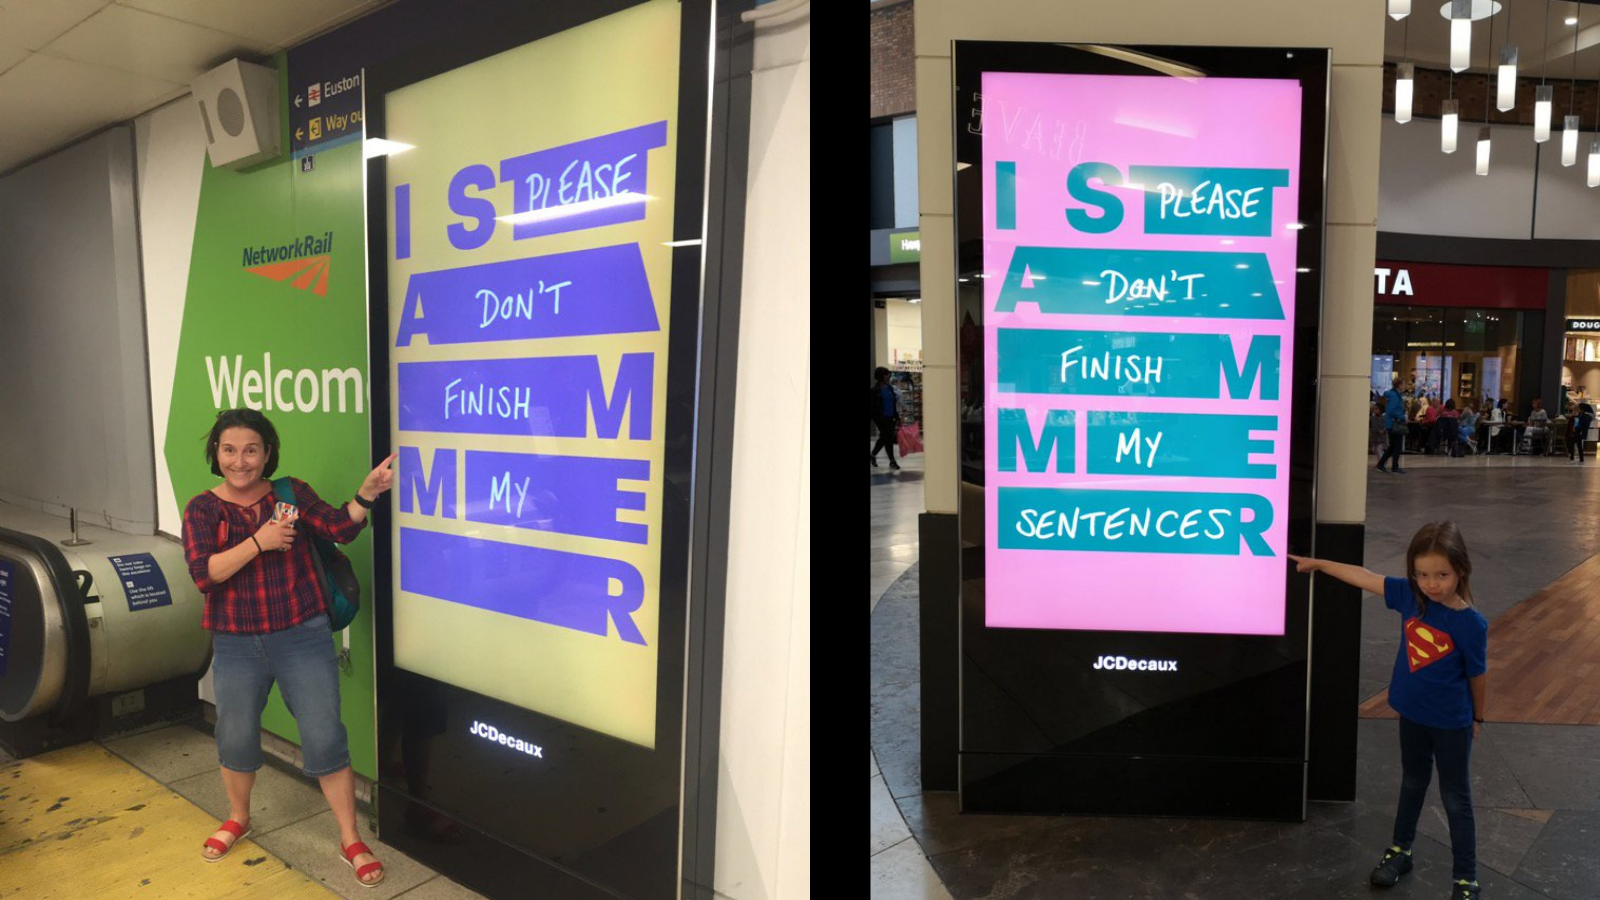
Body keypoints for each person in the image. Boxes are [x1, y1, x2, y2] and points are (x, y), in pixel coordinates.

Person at [181, 408, 397, 886]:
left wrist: (368, 493)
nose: (241, 460)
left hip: (302, 633)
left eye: (252, 449)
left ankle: (350, 838)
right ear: (216, 454)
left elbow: (340, 527)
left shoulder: (290, 493)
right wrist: (259, 541)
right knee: (233, 735)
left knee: (324, 735)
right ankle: (239, 817)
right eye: (230, 449)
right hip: (236, 640)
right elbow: (205, 574)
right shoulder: (202, 508)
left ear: (268, 453)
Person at [1289, 522, 1488, 900]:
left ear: (1461, 569)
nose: (1432, 584)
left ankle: (1466, 877)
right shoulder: (1410, 596)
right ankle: (1401, 850)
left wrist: (1478, 717)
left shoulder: (1471, 624)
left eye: (1442, 575)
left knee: (1455, 797)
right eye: (1423, 574)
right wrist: (1320, 563)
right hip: (1411, 714)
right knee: (1412, 782)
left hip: (1451, 723)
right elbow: (1365, 576)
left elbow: (1478, 676)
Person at [870, 366, 901, 471]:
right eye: (886, 374)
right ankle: (892, 461)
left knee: (885, 437)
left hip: (890, 416)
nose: (888, 376)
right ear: (880, 376)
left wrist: (897, 416)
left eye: (888, 374)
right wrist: (877, 418)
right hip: (880, 418)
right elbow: (872, 407)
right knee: (888, 437)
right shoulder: (874, 391)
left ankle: (872, 455)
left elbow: (893, 403)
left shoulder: (890, 388)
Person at [1377, 376, 1409, 474]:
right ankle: (1395, 467)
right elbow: (1390, 411)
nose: (1405, 386)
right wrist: (1403, 417)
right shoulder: (1395, 396)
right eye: (1404, 384)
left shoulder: (1394, 394)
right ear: (1399, 385)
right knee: (1397, 446)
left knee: (1393, 446)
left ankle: (1381, 464)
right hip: (1394, 424)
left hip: (1391, 424)